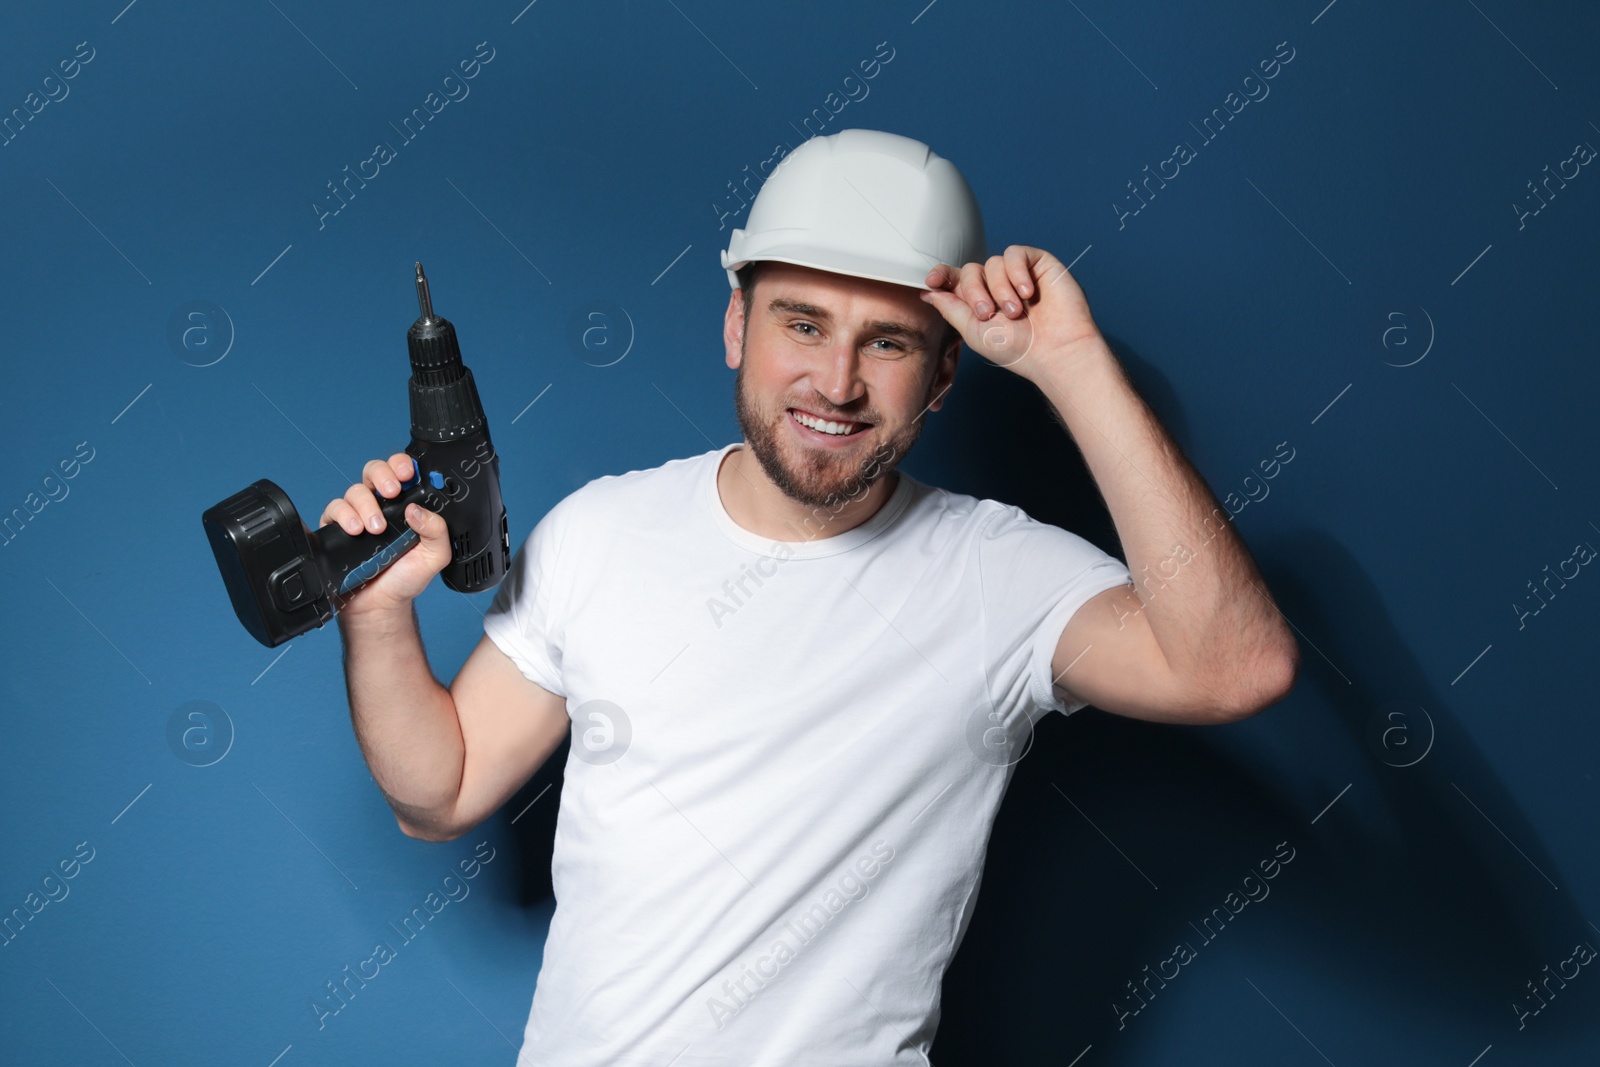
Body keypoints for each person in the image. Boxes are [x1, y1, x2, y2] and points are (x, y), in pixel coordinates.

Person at [323, 128, 1298, 1064]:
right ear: (736, 325)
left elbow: (1233, 666)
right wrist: (375, 615)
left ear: (946, 371)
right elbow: (439, 792)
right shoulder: (599, 533)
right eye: (802, 323)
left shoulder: (1003, 577)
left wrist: (1071, 364)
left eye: (888, 344)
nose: (835, 382)